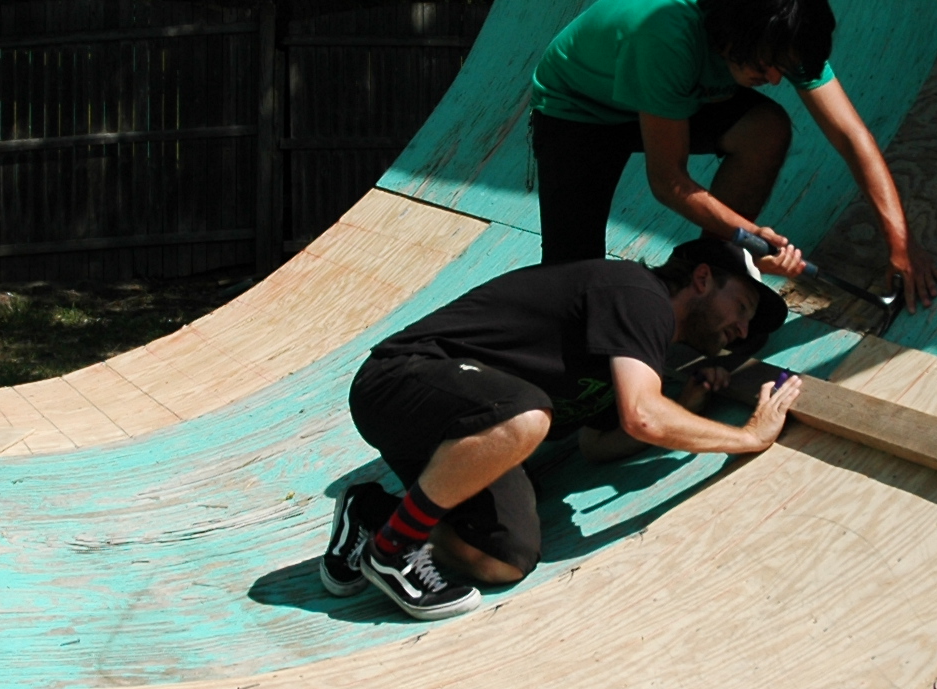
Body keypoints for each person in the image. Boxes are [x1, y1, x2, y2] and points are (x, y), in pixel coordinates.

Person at [323, 235, 796, 620]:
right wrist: (747, 437)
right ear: (702, 278)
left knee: (505, 558)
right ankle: (394, 549)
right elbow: (644, 416)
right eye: (742, 307)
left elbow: (598, 445)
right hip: (398, 380)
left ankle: (376, 513)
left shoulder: (638, 347)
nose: (742, 328)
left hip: (465, 436)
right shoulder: (638, 294)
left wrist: (685, 407)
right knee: (526, 414)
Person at [528, 0, 937, 306]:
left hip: (672, 94)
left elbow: (850, 135)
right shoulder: (667, 36)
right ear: (731, 37)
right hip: (580, 110)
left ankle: (703, 274)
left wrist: (900, 242)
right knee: (572, 278)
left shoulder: (783, 33)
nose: (776, 79)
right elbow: (669, 181)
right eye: (765, 66)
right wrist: (747, 233)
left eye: (784, 68)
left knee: (765, 128)